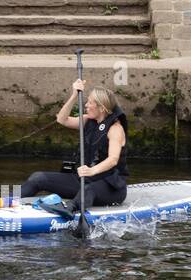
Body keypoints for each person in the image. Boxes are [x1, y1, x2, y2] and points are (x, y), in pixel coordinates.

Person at [18, 78, 128, 213]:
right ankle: (10, 202)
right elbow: (61, 119)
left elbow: (113, 159)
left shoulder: (115, 129)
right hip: (82, 180)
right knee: (37, 178)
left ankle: (69, 210)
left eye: (90, 102)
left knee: (88, 190)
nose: (86, 105)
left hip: (110, 187)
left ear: (101, 107)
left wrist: (92, 170)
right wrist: (74, 95)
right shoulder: (87, 120)